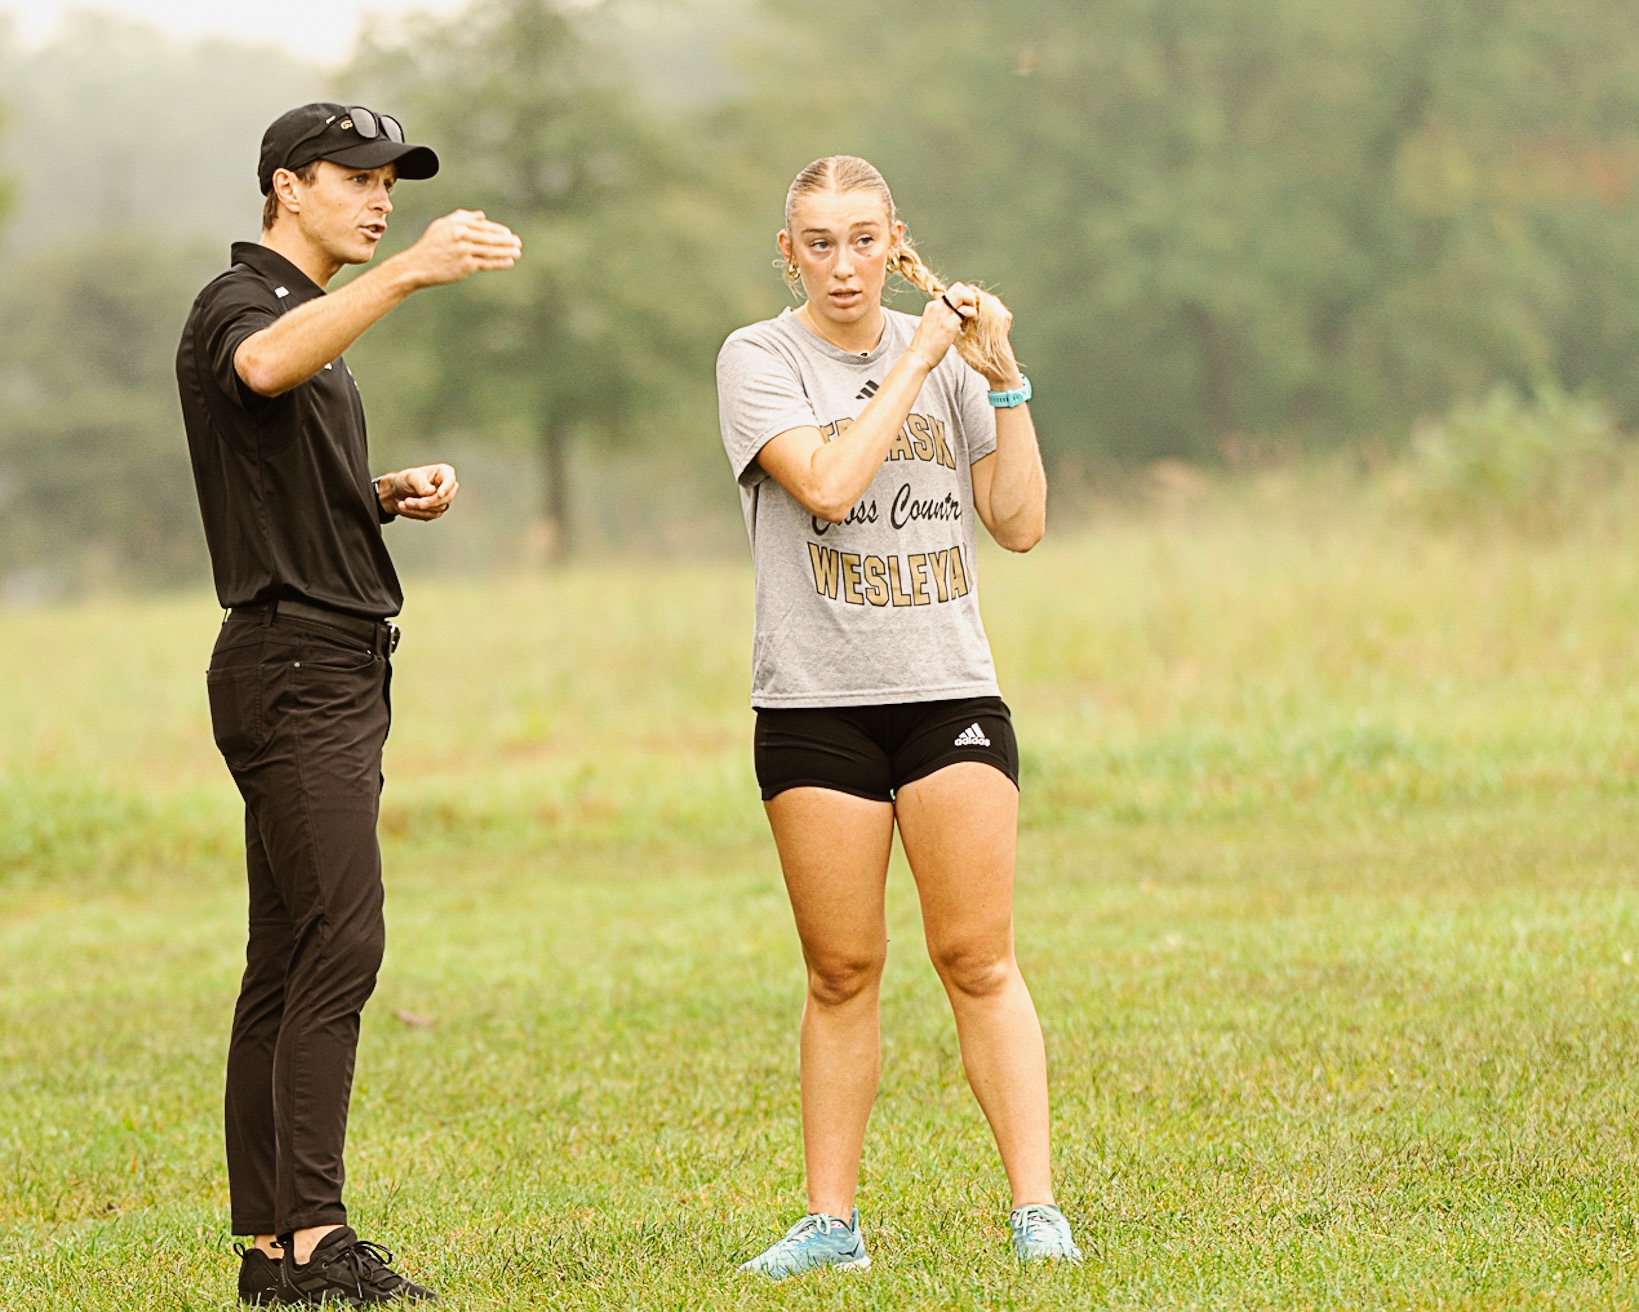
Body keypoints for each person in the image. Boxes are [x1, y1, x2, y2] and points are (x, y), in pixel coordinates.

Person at [176, 103, 522, 1305]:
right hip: (295, 664)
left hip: (323, 656)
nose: (381, 200)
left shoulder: (301, 319)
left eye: (393, 184)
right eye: (355, 178)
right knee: (339, 943)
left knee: (287, 953)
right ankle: (317, 1240)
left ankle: (271, 1252)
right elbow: (262, 368)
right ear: (285, 186)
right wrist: (416, 273)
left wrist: (377, 493)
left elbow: (276, 475)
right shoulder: (245, 309)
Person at [715, 155, 1081, 1278]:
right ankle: (832, 1225)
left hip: (948, 694)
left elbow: (1015, 524)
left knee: (976, 956)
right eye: (818, 242)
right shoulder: (758, 358)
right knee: (841, 970)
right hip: (816, 701)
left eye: (863, 239)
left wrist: (1002, 376)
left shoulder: (958, 364)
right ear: (789, 252)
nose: (842, 264)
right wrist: (921, 355)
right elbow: (824, 485)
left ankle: (1036, 1212)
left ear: (894, 240)